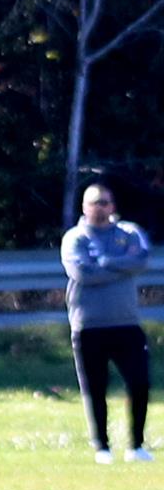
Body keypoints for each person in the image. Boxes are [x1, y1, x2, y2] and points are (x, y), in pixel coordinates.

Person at [60, 183, 153, 464]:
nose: (100, 208)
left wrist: (105, 261)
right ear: (84, 207)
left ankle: (136, 446)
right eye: (95, 202)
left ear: (113, 205)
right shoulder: (75, 238)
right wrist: (122, 266)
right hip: (89, 326)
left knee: (140, 383)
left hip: (127, 324)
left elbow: (141, 260)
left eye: (105, 202)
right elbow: (83, 273)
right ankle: (102, 446)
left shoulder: (129, 233)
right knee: (95, 388)